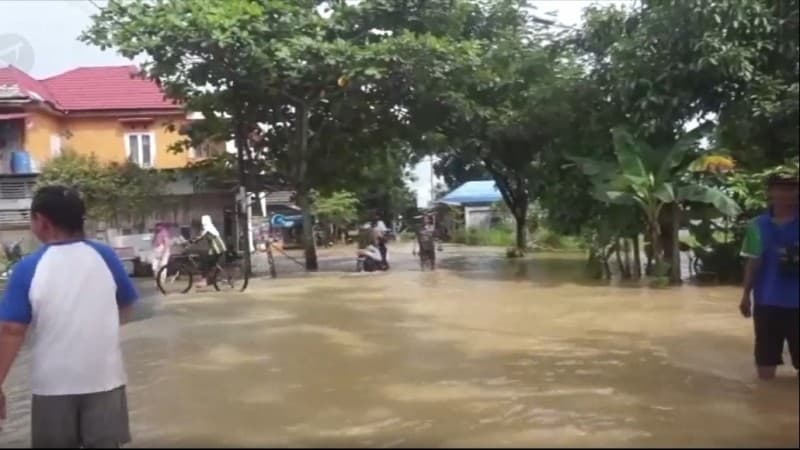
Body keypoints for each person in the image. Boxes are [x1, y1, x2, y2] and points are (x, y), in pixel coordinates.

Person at [0, 185, 138, 448]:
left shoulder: (29, 268)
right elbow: (127, 307)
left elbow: (11, 331)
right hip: (105, 380)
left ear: (41, 222)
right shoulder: (105, 256)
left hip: (53, 386)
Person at [739, 173, 799, 380]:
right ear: (770, 193)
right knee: (765, 362)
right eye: (782, 188)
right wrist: (746, 295)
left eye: (793, 188)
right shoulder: (757, 225)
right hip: (767, 301)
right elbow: (753, 261)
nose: (788, 194)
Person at [191, 215, 227, 287]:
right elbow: (200, 238)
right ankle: (210, 279)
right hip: (219, 251)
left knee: (204, 260)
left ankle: (205, 280)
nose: (202, 223)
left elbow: (199, 237)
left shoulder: (208, 229)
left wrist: (189, 241)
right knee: (206, 259)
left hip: (218, 251)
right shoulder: (211, 228)